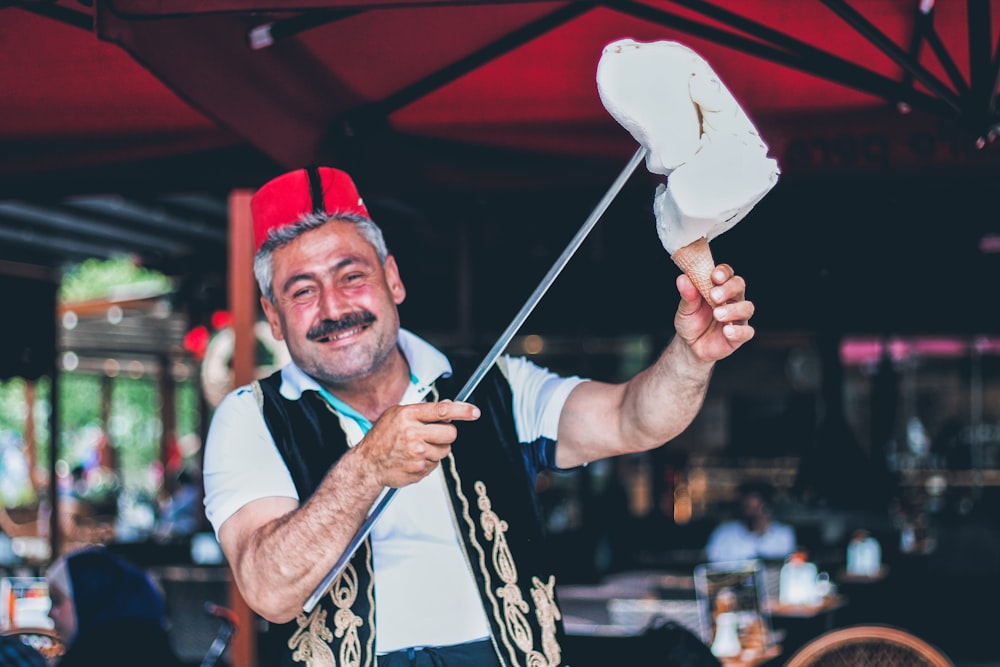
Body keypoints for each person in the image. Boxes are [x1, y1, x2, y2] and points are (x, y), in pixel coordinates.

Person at [202, 166, 756, 666]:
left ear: (393, 279)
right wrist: (367, 466)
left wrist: (691, 356)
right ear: (273, 318)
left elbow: (633, 419)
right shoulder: (250, 417)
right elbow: (269, 592)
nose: (334, 308)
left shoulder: (497, 385)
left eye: (352, 276)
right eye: (302, 291)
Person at [44, 546, 183, 667]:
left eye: (56, 601)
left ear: (88, 597)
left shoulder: (89, 655)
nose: (50, 613)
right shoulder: (157, 648)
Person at [705, 480, 796, 563]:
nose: (753, 514)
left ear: (768, 507)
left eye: (756, 508)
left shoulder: (784, 534)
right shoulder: (723, 534)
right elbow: (712, 569)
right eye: (747, 507)